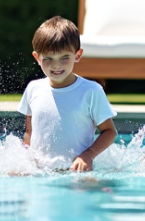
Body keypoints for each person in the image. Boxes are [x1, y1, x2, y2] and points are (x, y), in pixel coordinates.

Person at [18, 16, 118, 171]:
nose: (56, 65)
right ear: (37, 58)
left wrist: (88, 155)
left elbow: (110, 132)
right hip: (42, 172)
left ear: (77, 55)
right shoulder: (33, 89)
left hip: (77, 171)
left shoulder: (91, 91)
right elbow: (29, 133)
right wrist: (25, 161)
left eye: (64, 57)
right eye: (48, 58)